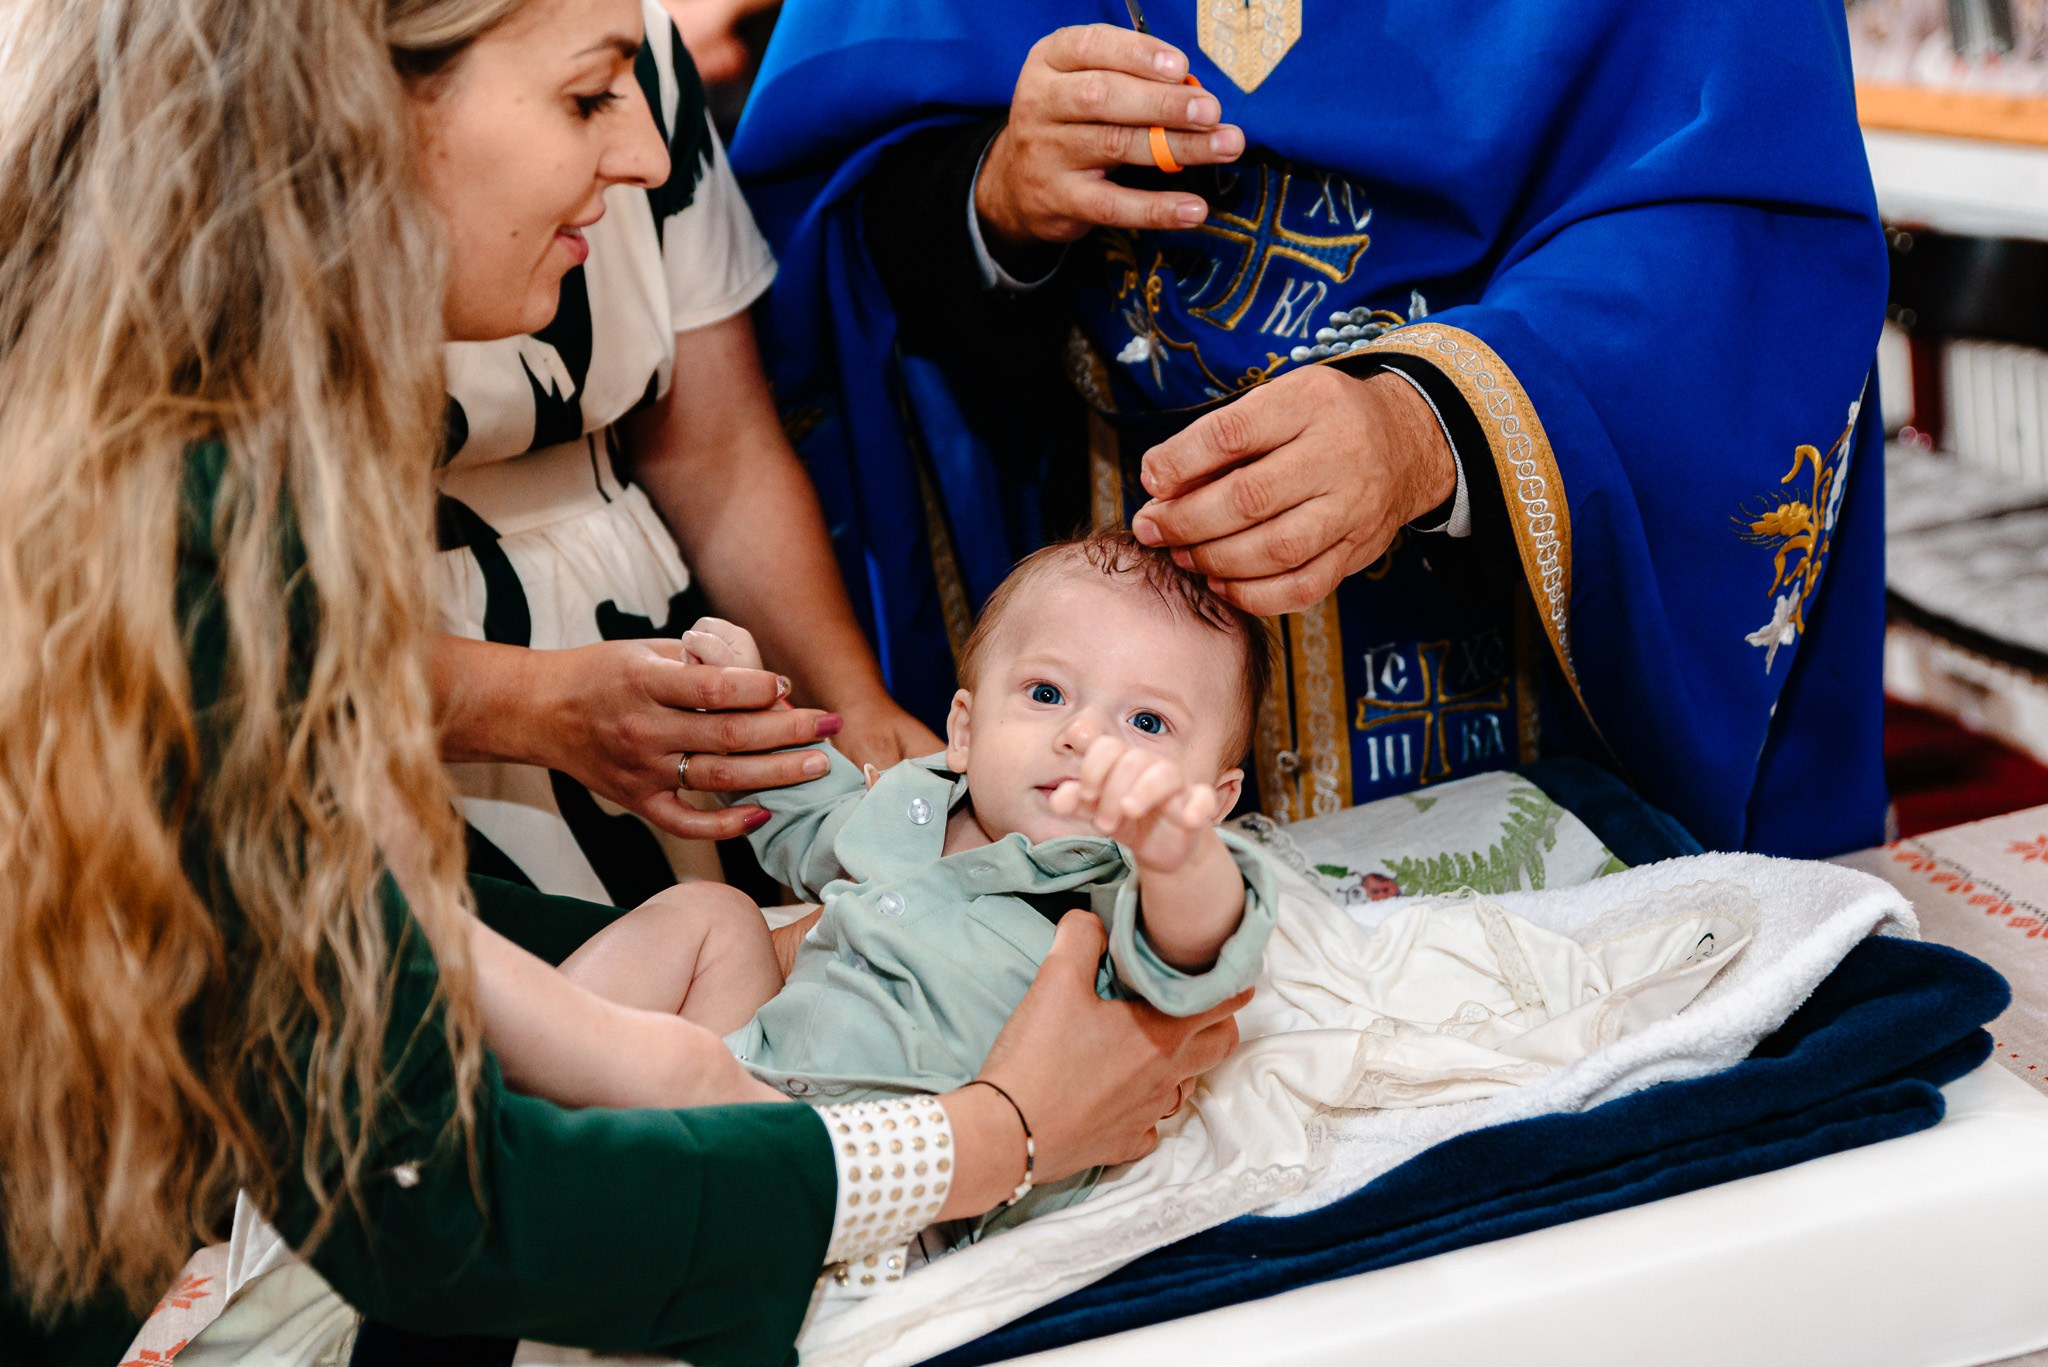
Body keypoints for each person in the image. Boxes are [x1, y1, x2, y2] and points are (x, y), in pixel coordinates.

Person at [0, 3, 1242, 1364]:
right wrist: (990, 1133)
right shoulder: (196, 537)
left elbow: (348, 937)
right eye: (591, 95)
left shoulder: (194, 454)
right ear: (362, 111)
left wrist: (726, 999)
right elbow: (440, 1197)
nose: (655, 153)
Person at [730, 1, 1893, 859]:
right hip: (1087, 565)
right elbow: (822, 209)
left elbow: (1733, 210)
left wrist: (1432, 419)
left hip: (1515, 671)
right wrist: (993, 198)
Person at [557, 532, 1277, 1235]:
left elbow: (1201, 948)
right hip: (740, 1079)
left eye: (1147, 722)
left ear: (1214, 801)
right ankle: (532, 1070)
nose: (1085, 735)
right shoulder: (916, 801)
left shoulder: (1123, 892)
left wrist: (1180, 852)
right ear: (964, 729)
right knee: (713, 913)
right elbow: (807, 813)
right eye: (1047, 692)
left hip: (911, 1184)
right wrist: (745, 711)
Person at [424, 0, 938, 909]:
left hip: (638, 667)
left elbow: (719, 451)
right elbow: (247, 635)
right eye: (588, 99)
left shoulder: (633, 41)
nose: (652, 162)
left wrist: (852, 703)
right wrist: (535, 703)